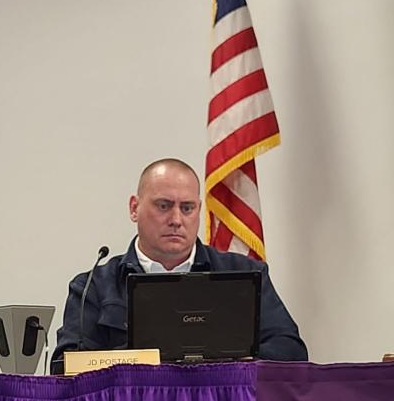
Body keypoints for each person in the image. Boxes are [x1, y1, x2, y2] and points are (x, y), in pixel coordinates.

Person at [51, 158, 307, 373]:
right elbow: (65, 365)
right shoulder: (93, 286)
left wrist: (230, 363)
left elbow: (292, 351)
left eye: (187, 208)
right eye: (164, 206)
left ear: (198, 210)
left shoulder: (243, 275)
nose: (176, 219)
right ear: (134, 208)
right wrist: (142, 363)